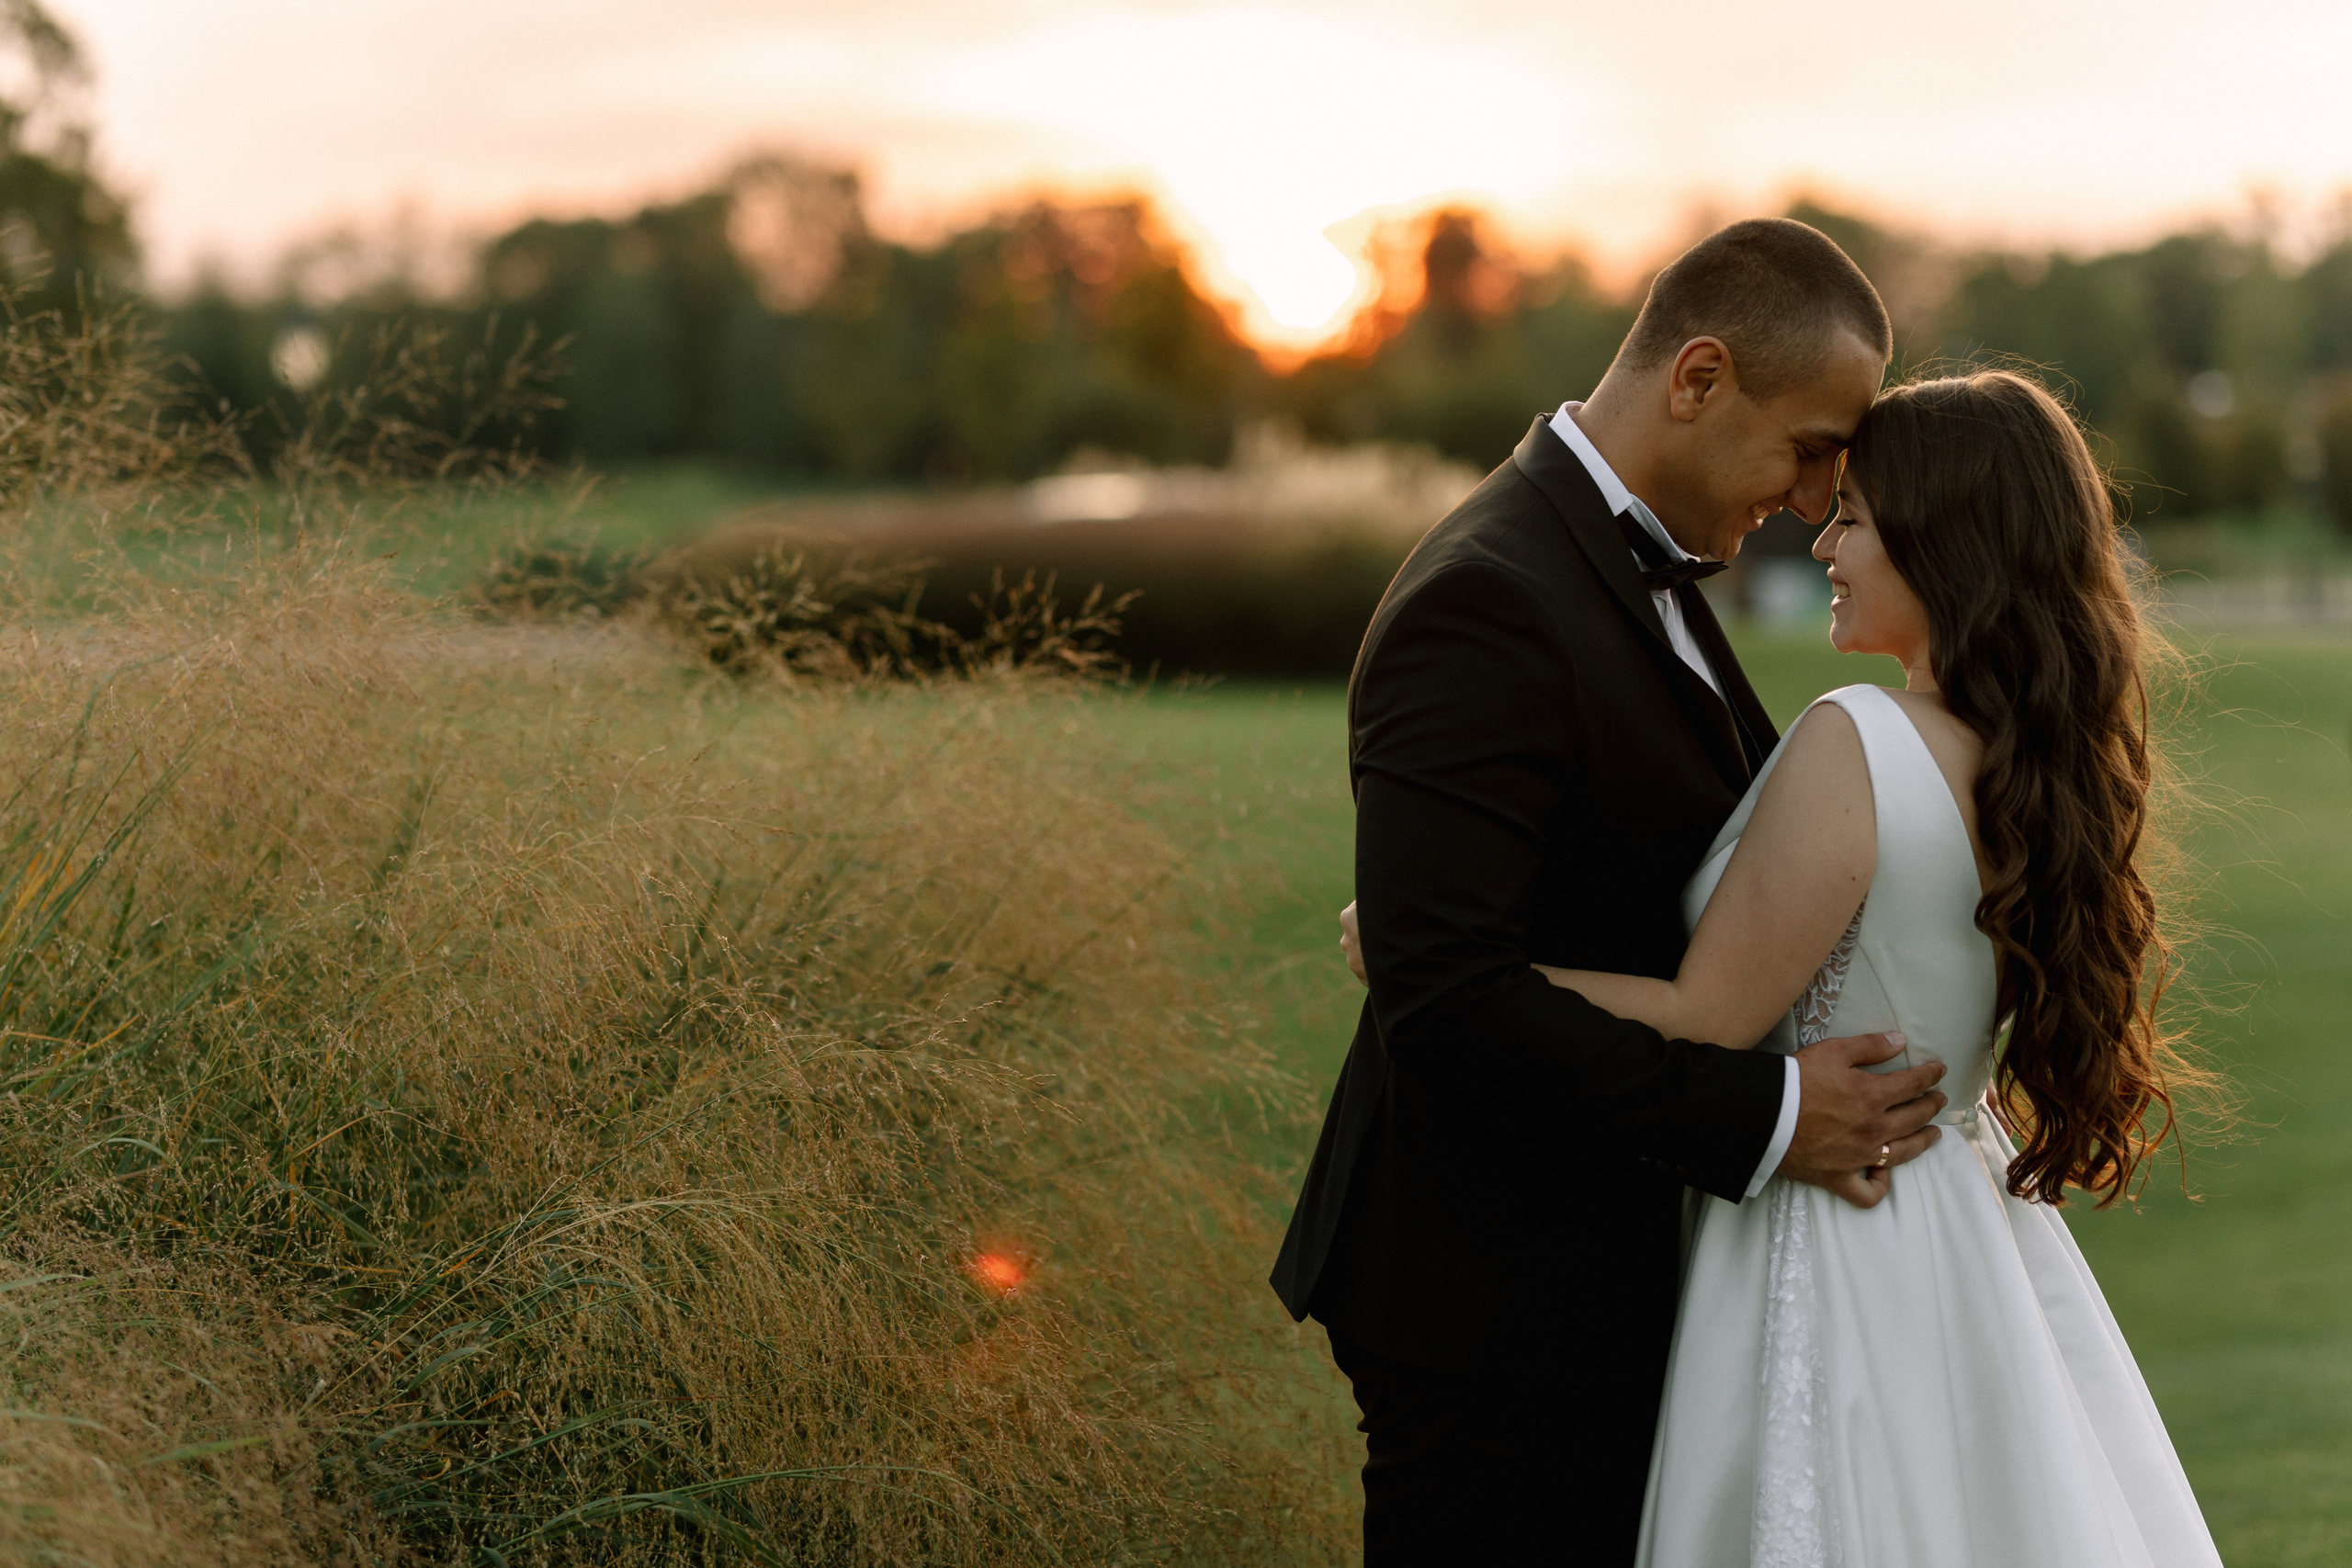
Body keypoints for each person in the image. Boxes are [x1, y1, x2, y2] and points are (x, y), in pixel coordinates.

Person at [1341, 371, 2224, 1564]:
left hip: (1833, 1235)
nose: (1825, 539)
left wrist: (1416, 956)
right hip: (1961, 1227)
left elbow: (1705, 1015)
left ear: (1943, 543)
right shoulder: (2028, 766)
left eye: (1855, 514)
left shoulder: (1855, 738)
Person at [1268, 218, 1955, 1563]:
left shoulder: (1647, 569)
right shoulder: (1488, 598)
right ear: (1698, 378)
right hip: (1497, 1293)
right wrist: (1768, 1114)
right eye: (1813, 446)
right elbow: (1447, 1004)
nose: (1821, 496)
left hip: (1607, 1263)